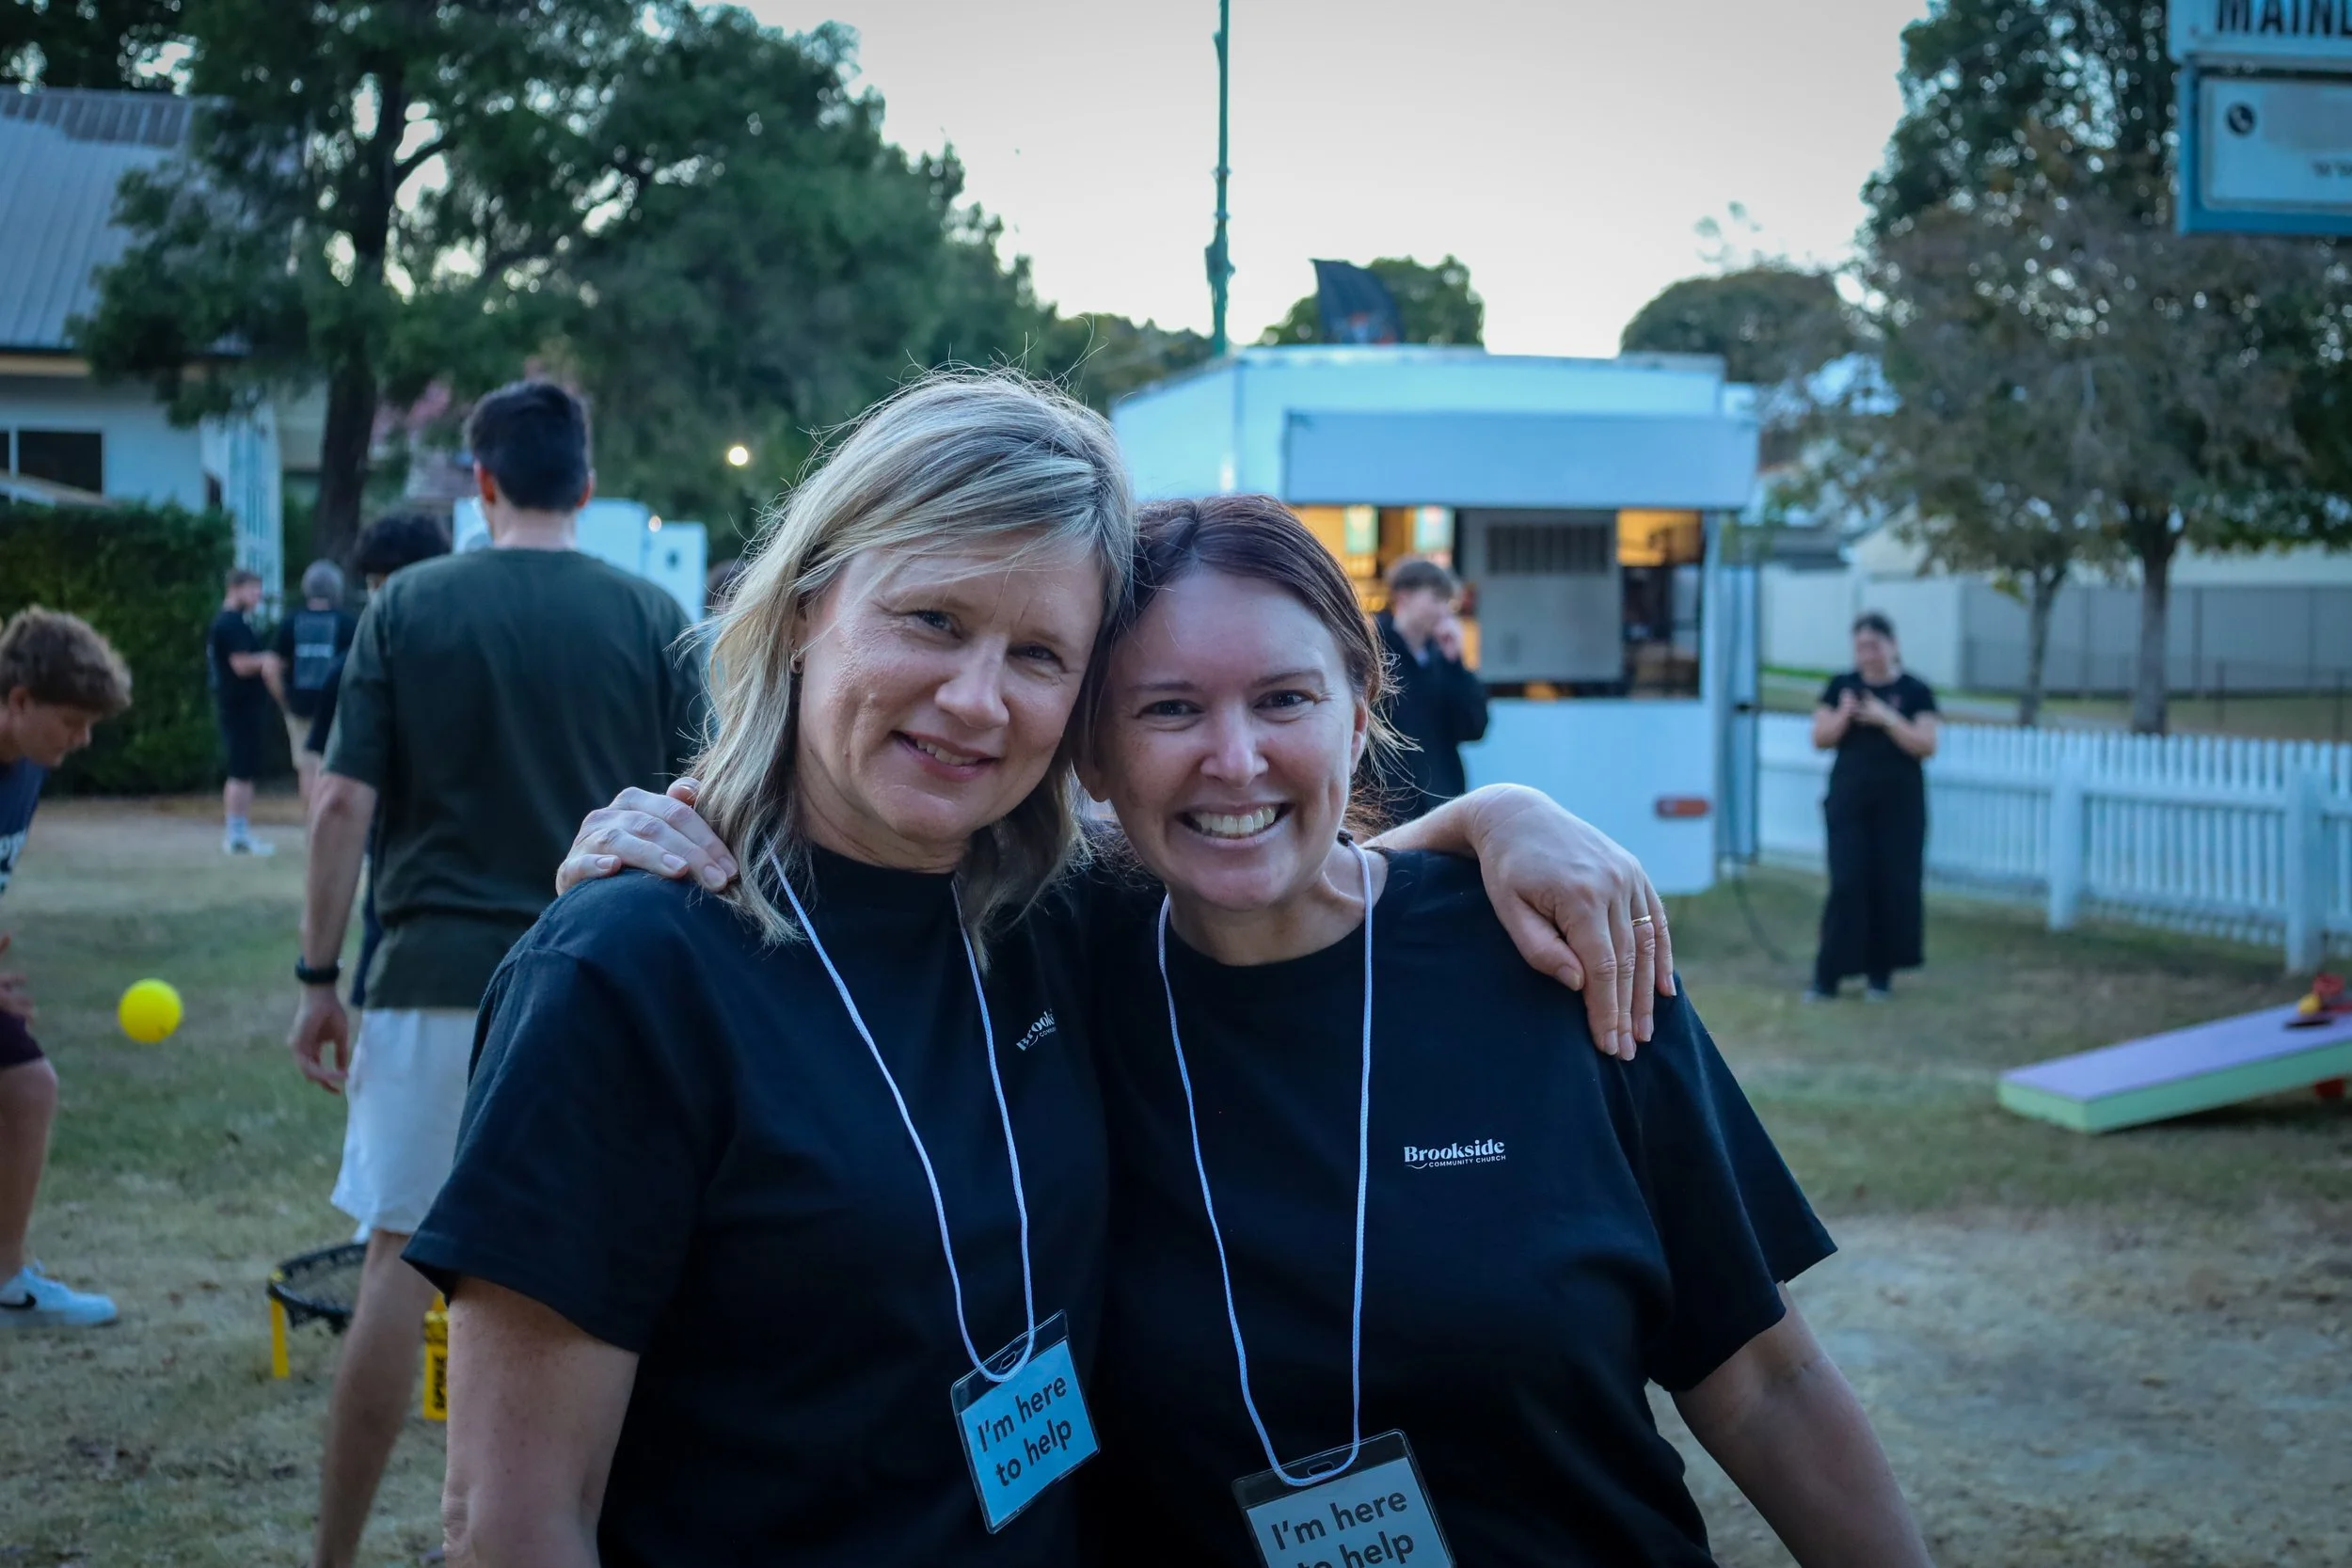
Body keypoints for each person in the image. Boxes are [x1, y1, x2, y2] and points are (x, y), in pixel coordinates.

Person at [407, 372, 1671, 1568]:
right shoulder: (630, 971)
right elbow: (509, 1519)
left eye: (1039, 654)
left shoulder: (1057, 922)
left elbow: (1266, 847)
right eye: (932, 620)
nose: (974, 698)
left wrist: (1491, 815)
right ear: (805, 606)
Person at [1072, 496, 1930, 1566]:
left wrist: (1504, 809)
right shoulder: (1052, 980)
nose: (1235, 758)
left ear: (1356, 711)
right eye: (1168, 708)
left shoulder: (1557, 952)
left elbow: (1762, 1378)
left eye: (1284, 697)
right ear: (1093, 755)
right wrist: (1493, 809)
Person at [285, 381, 705, 1568]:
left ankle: (334, 1555)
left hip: (429, 974)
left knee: (396, 1254)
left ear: (479, 483)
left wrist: (319, 973)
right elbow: (708, 804)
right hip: (611, 990)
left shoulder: (410, 603)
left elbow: (340, 804)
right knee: (593, 1291)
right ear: (583, 480)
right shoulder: (649, 611)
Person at [0, 608, 134, 1328]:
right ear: (19, 700)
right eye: (72, 721)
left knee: (26, 1086)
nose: (81, 740)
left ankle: (6, 1279)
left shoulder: (27, 765)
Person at [304, 514, 453, 1011]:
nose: (379, 599)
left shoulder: (467, 660)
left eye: (389, 584)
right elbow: (328, 782)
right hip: (396, 892)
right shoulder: (353, 670)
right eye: (372, 585)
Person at [1807, 611, 1939, 1003]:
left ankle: (1880, 975)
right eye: (1861, 646)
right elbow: (1820, 737)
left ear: (1892, 646)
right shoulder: (1841, 687)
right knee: (1847, 883)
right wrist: (1846, 713)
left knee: (1891, 885)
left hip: (1899, 808)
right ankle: (1827, 974)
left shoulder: (1915, 691)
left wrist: (1887, 718)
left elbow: (1926, 744)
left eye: (1874, 645)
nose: (1867, 653)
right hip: (1849, 803)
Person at [1373, 557, 1487, 819]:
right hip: (1388, 808)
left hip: (1442, 802)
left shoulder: (1442, 660)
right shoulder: (1372, 654)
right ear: (1404, 597)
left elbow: (1474, 727)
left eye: (1448, 601)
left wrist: (1457, 664)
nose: (1444, 611)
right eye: (1436, 599)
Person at [262, 560, 358, 808]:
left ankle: (312, 823)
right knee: (338, 766)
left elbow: (270, 668)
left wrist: (285, 700)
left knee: (307, 766)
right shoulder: (349, 623)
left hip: (300, 705)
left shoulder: (290, 621)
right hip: (339, 707)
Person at [209, 567, 275, 855]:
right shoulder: (230, 624)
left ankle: (240, 830)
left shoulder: (236, 623)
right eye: (253, 589)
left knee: (244, 769)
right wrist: (272, 660)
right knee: (240, 770)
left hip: (241, 705)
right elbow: (241, 664)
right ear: (235, 588)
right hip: (237, 705)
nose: (257, 595)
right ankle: (236, 833)